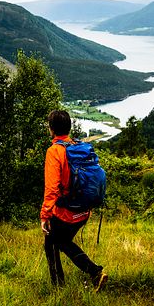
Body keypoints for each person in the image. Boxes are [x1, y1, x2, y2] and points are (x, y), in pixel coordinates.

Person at [41, 109, 108, 291]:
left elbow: (52, 188)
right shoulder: (80, 147)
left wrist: (45, 215)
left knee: (52, 243)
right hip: (84, 210)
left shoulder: (55, 151)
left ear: (51, 129)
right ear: (69, 127)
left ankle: (60, 287)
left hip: (67, 211)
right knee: (62, 242)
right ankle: (94, 273)